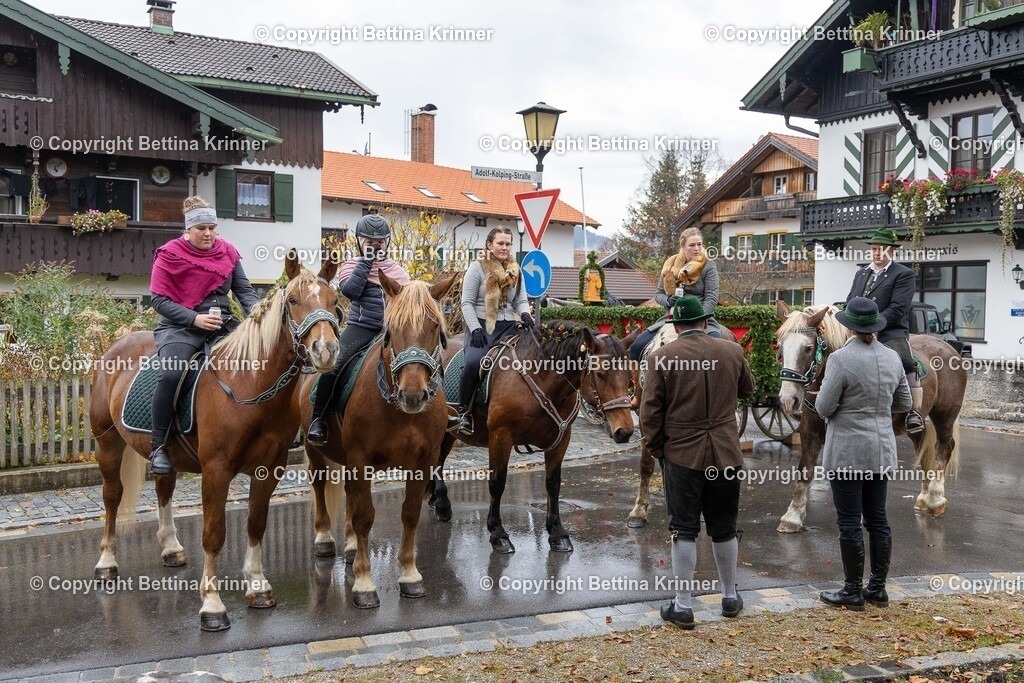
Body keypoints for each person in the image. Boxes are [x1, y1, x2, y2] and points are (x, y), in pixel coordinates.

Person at [639, 296, 755, 630]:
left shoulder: (661, 357)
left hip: (681, 454)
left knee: (684, 529)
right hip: (725, 452)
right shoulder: (733, 351)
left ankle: (683, 605)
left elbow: (650, 412)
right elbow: (748, 389)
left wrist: (658, 449)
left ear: (675, 326)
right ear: (705, 322)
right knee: (724, 527)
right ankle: (729, 597)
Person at [148, 196, 261, 475]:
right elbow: (158, 300)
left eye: (212, 228)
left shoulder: (228, 251)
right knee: (172, 374)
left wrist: (258, 313)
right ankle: (159, 446)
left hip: (224, 324)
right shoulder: (169, 254)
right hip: (180, 327)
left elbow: (244, 291)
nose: (208, 234)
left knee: (261, 363)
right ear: (188, 230)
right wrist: (194, 318)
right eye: (202, 229)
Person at [816, 297, 913, 610]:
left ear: (848, 328)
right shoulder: (892, 357)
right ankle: (878, 589)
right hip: (881, 449)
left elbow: (823, 407)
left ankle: (852, 591)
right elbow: (905, 403)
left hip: (847, 451)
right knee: (878, 520)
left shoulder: (841, 359)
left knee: (849, 522)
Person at [306, 214, 410, 445]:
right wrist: (366, 262)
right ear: (359, 242)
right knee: (335, 363)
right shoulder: (352, 265)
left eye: (380, 242)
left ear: (387, 242)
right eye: (369, 242)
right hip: (362, 328)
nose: (376, 246)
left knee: (422, 356)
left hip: (392, 330)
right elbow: (350, 291)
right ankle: (318, 419)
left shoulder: (396, 269)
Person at [449, 227, 533, 433]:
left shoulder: (516, 270)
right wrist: (475, 329)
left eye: (508, 244)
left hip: (509, 326)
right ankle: (464, 413)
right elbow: (466, 303)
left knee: (531, 358)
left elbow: (521, 300)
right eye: (500, 243)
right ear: (489, 244)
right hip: (482, 327)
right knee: (474, 362)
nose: (504, 247)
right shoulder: (476, 268)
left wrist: (525, 314)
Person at [846, 227, 923, 434]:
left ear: (892, 251)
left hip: (890, 330)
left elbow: (898, 308)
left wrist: (874, 325)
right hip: (858, 330)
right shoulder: (861, 273)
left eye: (881, 249)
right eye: (874, 249)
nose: (877, 253)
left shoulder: (903, 274)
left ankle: (914, 411)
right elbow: (851, 300)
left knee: (906, 360)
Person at [629, 227, 721, 362]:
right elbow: (659, 294)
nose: (696, 248)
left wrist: (699, 317)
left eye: (699, 244)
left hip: (701, 319)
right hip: (672, 318)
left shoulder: (709, 266)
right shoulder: (670, 265)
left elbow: (711, 298)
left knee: (717, 352)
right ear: (683, 246)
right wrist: (668, 301)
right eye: (692, 245)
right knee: (636, 347)